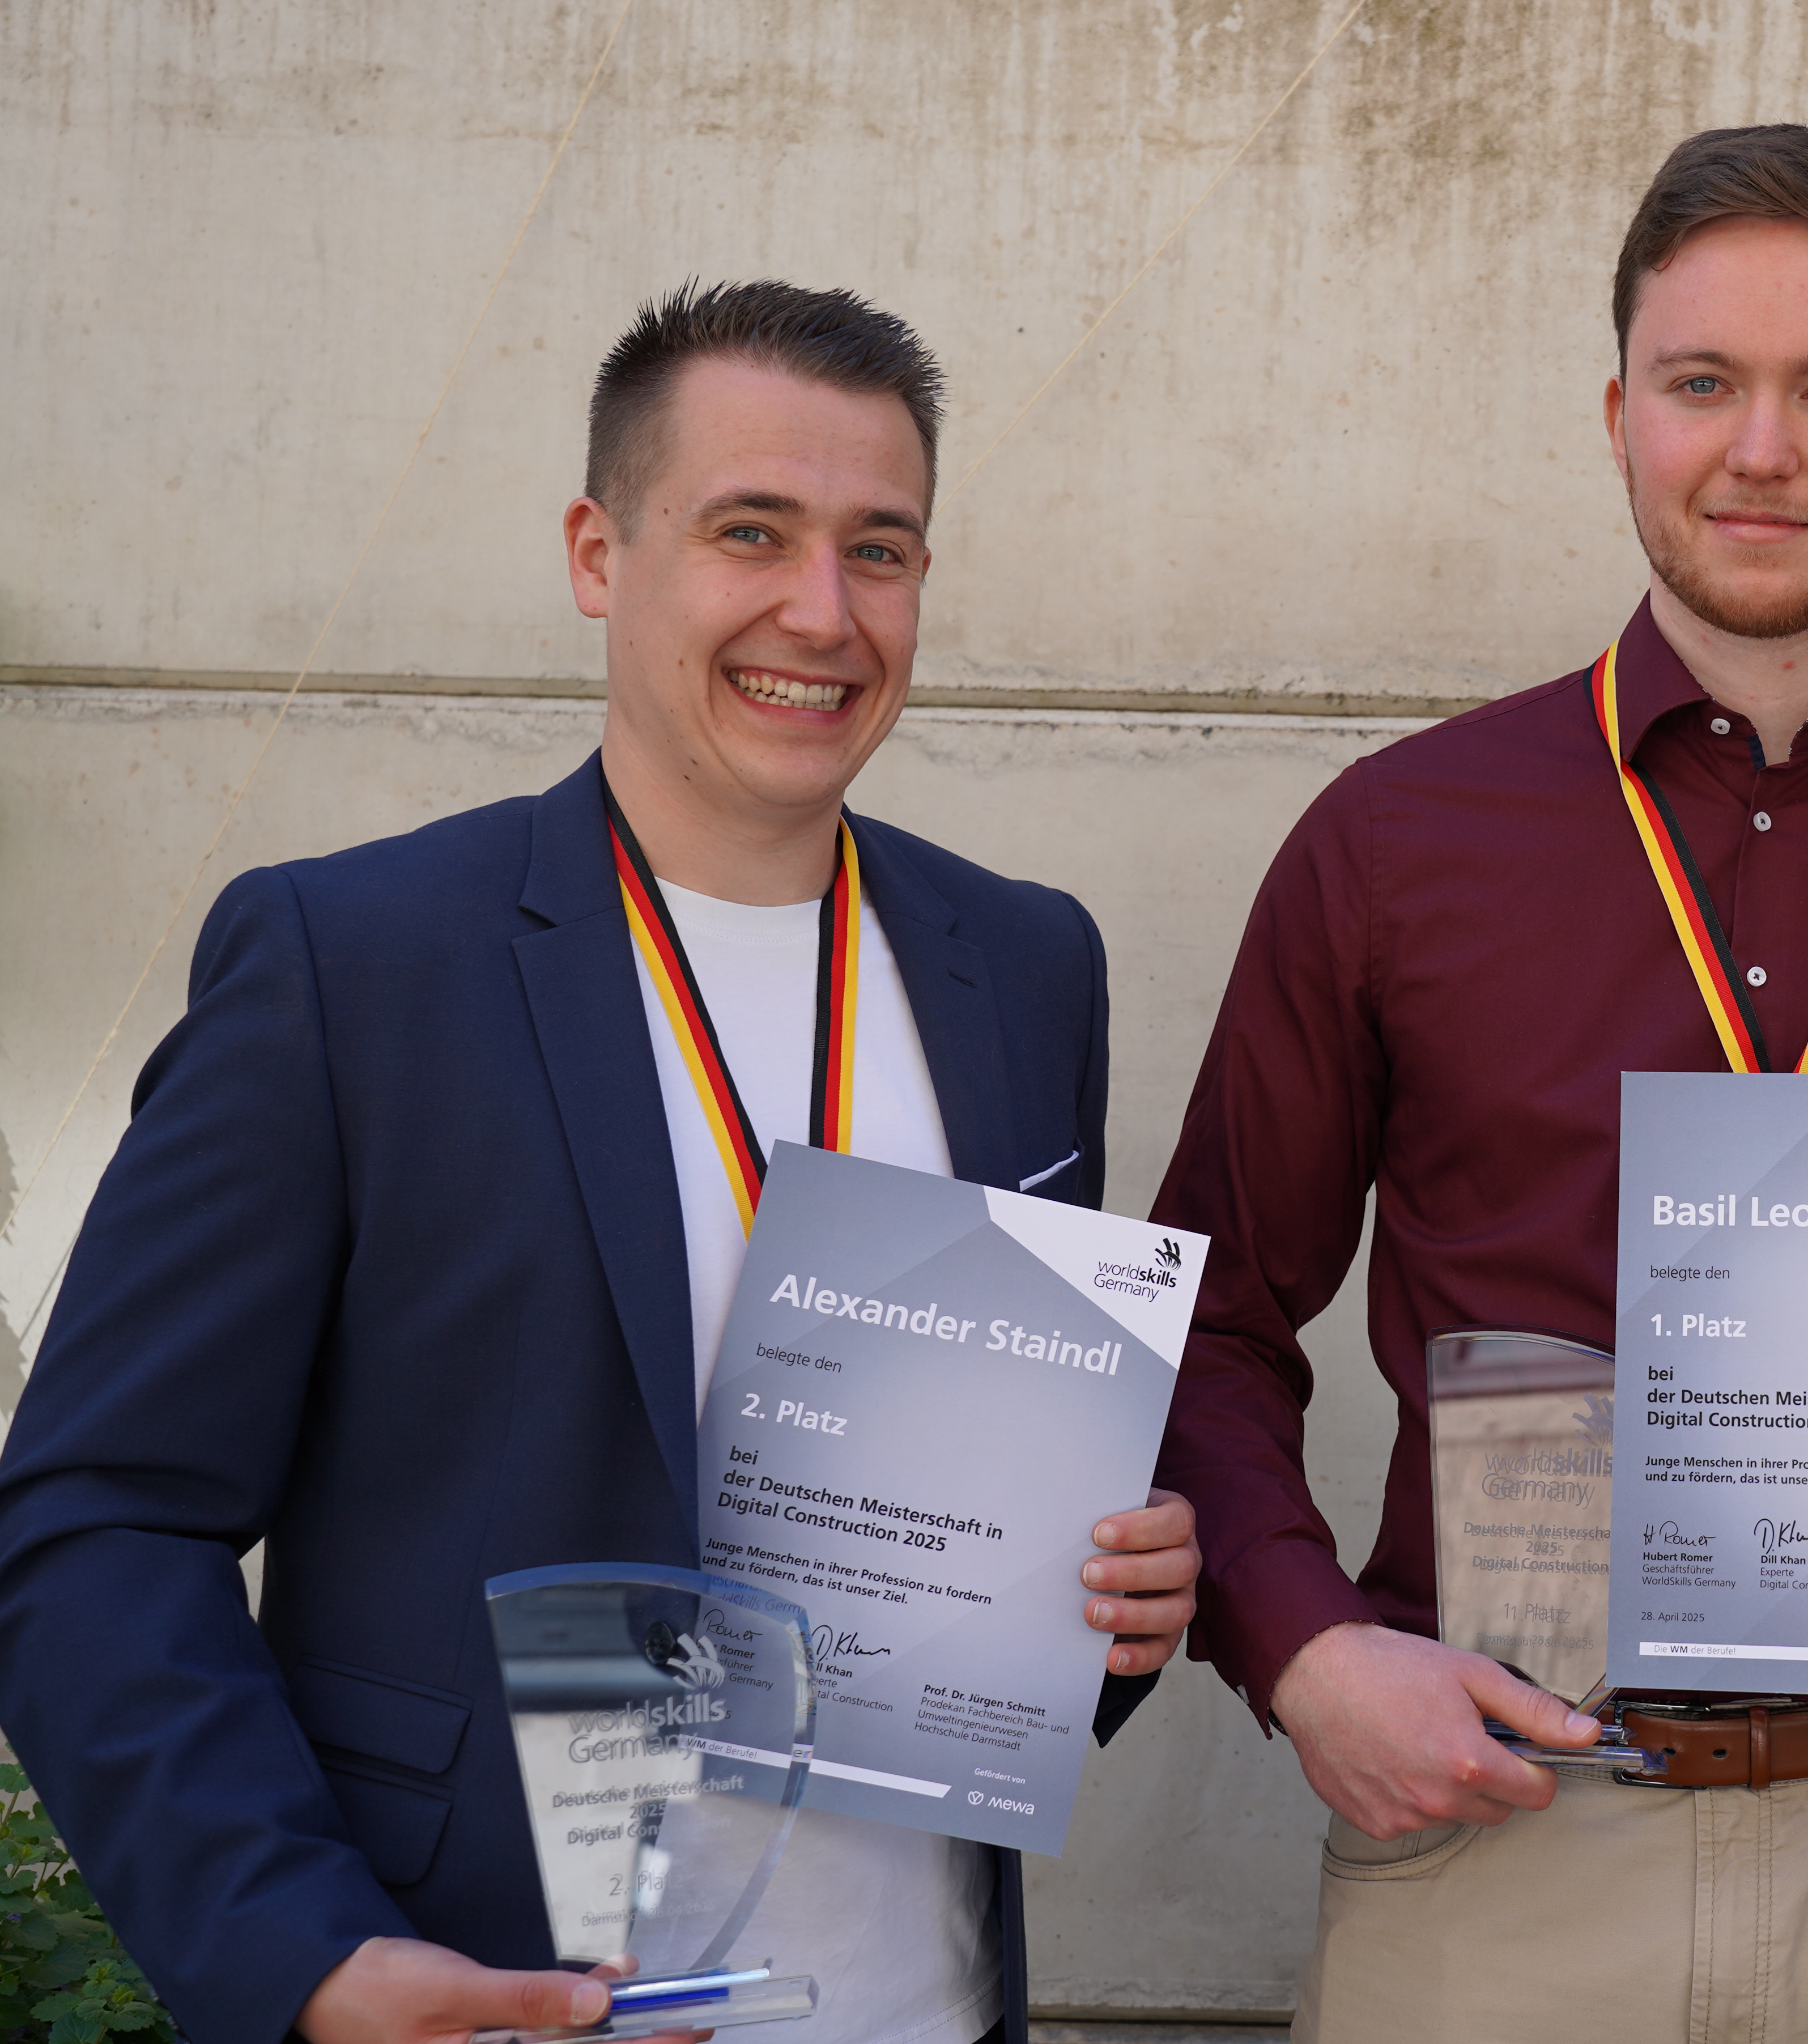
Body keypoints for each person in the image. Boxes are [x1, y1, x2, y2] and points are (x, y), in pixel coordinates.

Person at [0, 283, 1203, 2044]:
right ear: (597, 552)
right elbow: (101, 1521)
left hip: (924, 2009)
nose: (823, 611)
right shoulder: (355, 966)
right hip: (497, 1996)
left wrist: (1105, 1607)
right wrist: (307, 1957)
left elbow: (992, 1551)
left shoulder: (1022, 967)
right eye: (750, 532)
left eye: (880, 550)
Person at [1149, 123, 1808, 2043]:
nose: (1761, 450)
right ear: (1618, 416)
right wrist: (1305, 1652)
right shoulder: (1396, 846)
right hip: (1498, 1837)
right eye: (1703, 382)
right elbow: (1207, 1319)